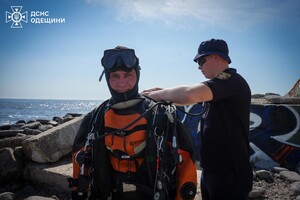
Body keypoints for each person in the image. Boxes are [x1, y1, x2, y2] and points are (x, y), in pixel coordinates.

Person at [69, 46, 197, 200]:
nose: (121, 83)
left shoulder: (162, 114)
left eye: (128, 75)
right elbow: (79, 162)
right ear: (107, 78)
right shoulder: (95, 117)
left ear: (137, 75)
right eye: (115, 76)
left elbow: (186, 164)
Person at [143, 39, 253, 200]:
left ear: (217, 57)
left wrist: (159, 94)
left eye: (202, 60)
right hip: (212, 171)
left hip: (230, 174)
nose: (199, 66)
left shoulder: (231, 80)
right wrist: (163, 91)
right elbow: (187, 97)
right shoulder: (219, 86)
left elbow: (190, 94)